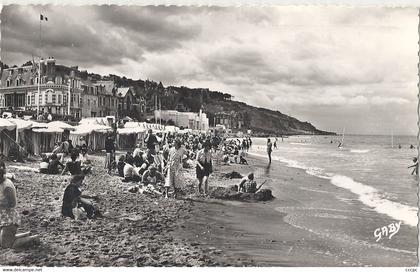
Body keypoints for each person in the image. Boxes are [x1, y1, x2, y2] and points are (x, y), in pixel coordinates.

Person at [0, 161, 39, 248]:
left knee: (6, 244)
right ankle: (27, 235)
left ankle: (33, 239)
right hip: (3, 218)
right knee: (4, 240)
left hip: (9, 219)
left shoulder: (6, 186)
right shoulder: (2, 183)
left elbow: (12, 204)